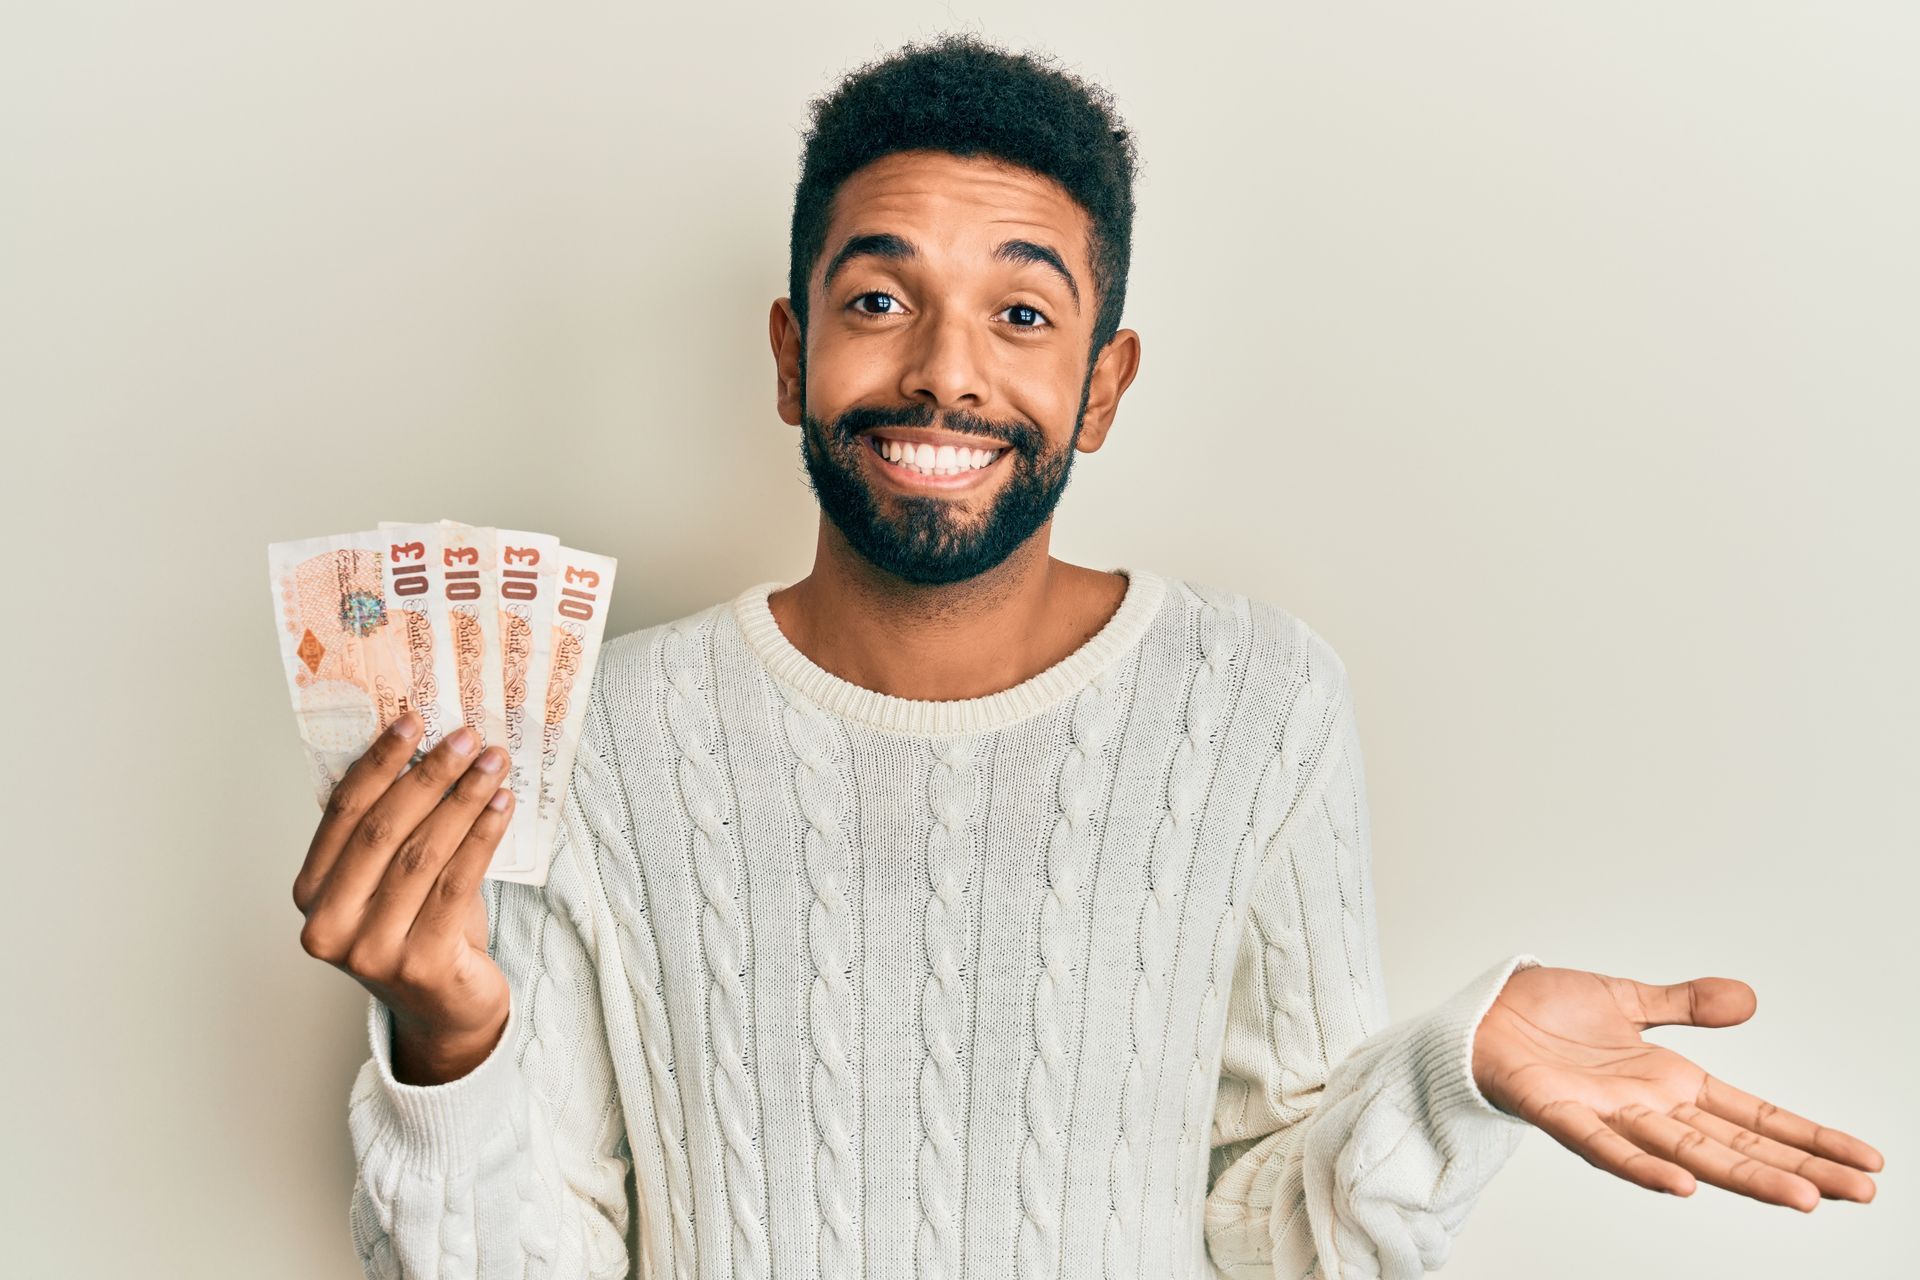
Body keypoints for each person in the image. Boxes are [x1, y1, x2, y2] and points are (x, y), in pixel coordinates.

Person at [291, 33, 1884, 1280]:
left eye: (1023, 318)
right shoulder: (598, 730)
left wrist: (1448, 1075)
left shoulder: (1256, 703)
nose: (941, 374)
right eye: (876, 298)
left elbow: (1277, 1244)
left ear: (1104, 389)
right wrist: (449, 1049)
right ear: (791, 354)